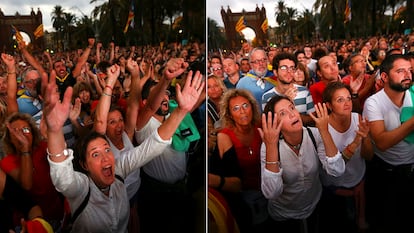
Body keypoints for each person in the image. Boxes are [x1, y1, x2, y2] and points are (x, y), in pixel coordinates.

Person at [42, 59, 203, 232]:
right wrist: (54, 131)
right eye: (95, 154)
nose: (106, 156)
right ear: (84, 165)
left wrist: (181, 111)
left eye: (106, 150)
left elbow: (153, 145)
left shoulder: (119, 169)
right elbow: (62, 177)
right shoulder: (80, 189)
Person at [260, 96, 345, 233]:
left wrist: (324, 131)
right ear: (275, 124)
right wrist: (271, 146)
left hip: (313, 206)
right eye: (283, 113)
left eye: (292, 108)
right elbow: (272, 192)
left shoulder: (315, 134)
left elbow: (337, 170)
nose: (292, 114)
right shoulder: (269, 146)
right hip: (283, 214)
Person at [363, 54, 414, 233]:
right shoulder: (373, 103)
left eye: (409, 70)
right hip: (385, 172)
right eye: (400, 71)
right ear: (384, 77)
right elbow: (382, 142)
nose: (407, 74)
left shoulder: (413, 96)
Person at [209, 89, 268, 233]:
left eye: (245, 106)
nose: (242, 111)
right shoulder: (224, 136)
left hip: (268, 192)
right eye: (236, 108)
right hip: (242, 199)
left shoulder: (262, 127)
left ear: (252, 107)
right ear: (229, 114)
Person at [318, 81, 373, 233]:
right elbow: (337, 167)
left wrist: (366, 137)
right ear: (329, 105)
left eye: (348, 98)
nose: (347, 103)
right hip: (335, 185)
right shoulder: (322, 128)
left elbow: (368, 157)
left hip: (358, 178)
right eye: (340, 100)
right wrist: (356, 141)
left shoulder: (358, 118)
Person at [262, 52, 315, 126]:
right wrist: (285, 101)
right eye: (284, 68)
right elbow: (270, 125)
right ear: (275, 72)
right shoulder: (267, 97)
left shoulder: (304, 92)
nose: (289, 71)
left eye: (292, 68)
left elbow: (312, 119)